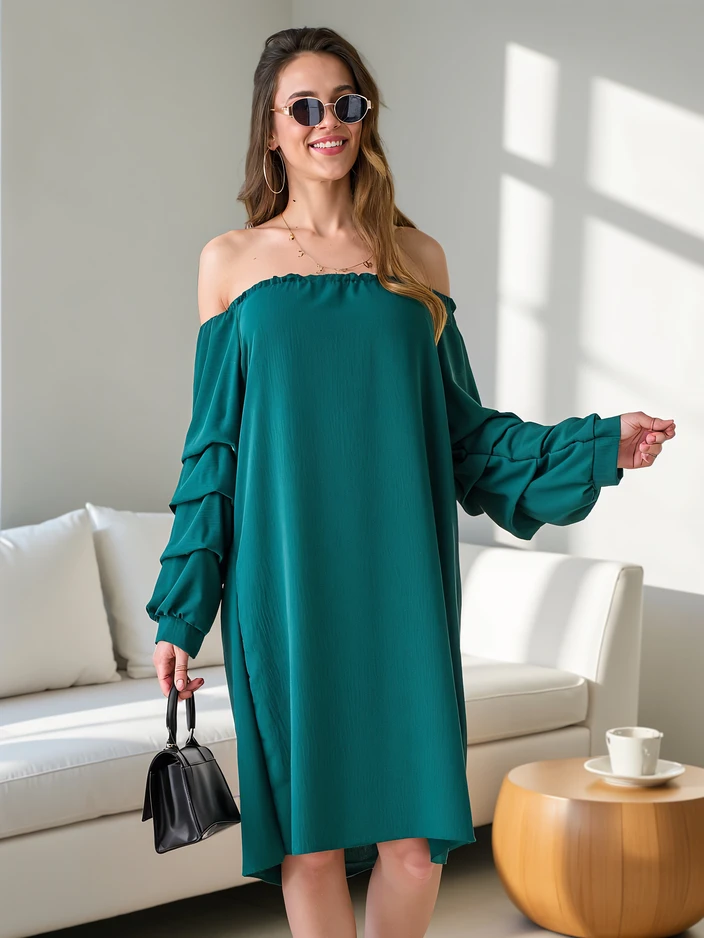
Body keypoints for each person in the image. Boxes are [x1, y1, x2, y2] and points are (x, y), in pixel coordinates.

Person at [145, 25, 676, 938]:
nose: (328, 122)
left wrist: (595, 445)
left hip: (401, 584)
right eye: (304, 107)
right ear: (270, 129)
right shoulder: (229, 263)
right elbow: (212, 454)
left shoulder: (415, 260)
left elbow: (466, 435)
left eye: (345, 103)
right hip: (285, 586)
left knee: (413, 841)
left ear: (365, 118)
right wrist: (180, 614)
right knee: (310, 841)